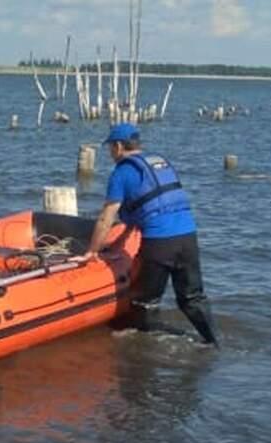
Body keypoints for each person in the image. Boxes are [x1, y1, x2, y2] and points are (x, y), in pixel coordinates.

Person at [81, 123, 218, 346]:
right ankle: (213, 342)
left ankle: (144, 353)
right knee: (192, 298)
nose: (110, 154)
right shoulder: (161, 164)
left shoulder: (122, 172)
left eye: (110, 148)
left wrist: (91, 252)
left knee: (144, 302)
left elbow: (107, 216)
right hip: (188, 237)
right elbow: (152, 205)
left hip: (159, 242)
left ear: (117, 146)